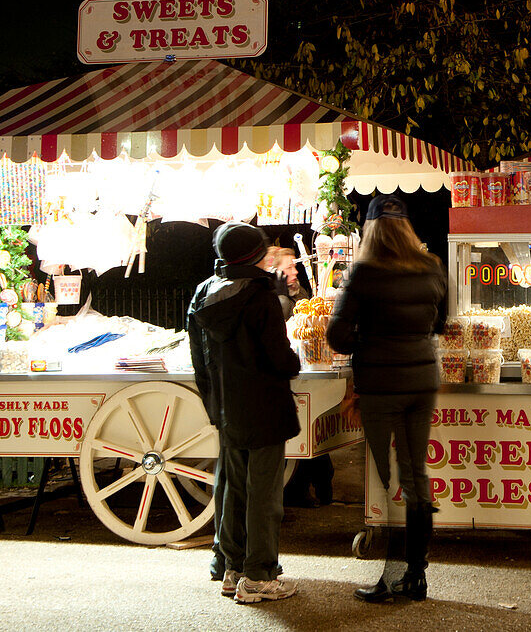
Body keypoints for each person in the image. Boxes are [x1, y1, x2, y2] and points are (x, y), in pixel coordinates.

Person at [326, 194, 447, 603]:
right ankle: (416, 575)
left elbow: (337, 336)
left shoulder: (363, 273)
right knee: (416, 476)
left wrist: (370, 339)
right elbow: (440, 322)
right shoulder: (431, 266)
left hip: (381, 384)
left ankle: (391, 577)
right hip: (422, 380)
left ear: (371, 230)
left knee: (384, 478)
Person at [187, 221, 302, 604]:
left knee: (231, 487)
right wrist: (294, 363)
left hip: (225, 405)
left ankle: (228, 566)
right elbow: (279, 357)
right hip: (265, 405)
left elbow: (198, 360)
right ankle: (258, 575)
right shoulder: (259, 294)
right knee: (264, 492)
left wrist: (213, 401)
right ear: (255, 255)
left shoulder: (204, 292)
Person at [272, 247, 335, 507]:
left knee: (313, 432)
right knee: (307, 435)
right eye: (288, 268)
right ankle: (306, 489)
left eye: (294, 266)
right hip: (286, 382)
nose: (294, 271)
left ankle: (315, 486)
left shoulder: (296, 296)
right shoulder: (279, 303)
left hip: (299, 378)